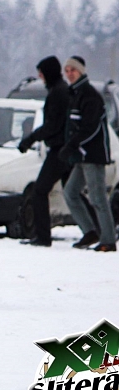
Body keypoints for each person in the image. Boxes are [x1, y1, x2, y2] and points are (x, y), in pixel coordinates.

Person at [59, 56, 116, 252]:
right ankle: (90, 232)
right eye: (66, 70)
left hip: (92, 156)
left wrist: (72, 145)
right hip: (81, 156)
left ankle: (108, 240)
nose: (69, 74)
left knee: (98, 198)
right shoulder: (75, 93)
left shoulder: (90, 95)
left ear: (81, 71)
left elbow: (90, 127)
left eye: (72, 70)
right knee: (70, 192)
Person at [17, 56, 71, 247]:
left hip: (60, 151)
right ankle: (95, 232)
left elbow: (52, 125)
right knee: (74, 194)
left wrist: (30, 139)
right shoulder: (60, 90)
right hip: (65, 150)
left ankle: (42, 236)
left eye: (41, 72)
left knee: (40, 191)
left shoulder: (58, 93)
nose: (40, 76)